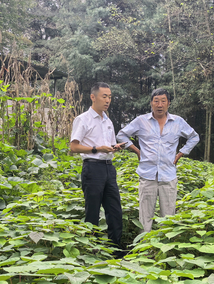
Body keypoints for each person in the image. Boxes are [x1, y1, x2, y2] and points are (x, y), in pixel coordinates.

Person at [116, 88, 199, 233]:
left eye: (163, 101)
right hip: (147, 174)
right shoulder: (141, 121)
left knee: (168, 216)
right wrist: (137, 151)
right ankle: (143, 249)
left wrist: (181, 153)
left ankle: (163, 249)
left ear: (169, 103)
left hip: (168, 175)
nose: (159, 105)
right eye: (156, 101)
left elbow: (194, 137)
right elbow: (121, 135)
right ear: (151, 103)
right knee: (145, 216)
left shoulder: (178, 122)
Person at [69, 82, 126, 250]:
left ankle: (115, 249)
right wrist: (96, 149)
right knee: (92, 211)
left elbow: (108, 145)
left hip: (109, 168)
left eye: (109, 97)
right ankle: (90, 249)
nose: (108, 100)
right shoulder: (83, 119)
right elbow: (73, 147)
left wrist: (115, 147)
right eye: (104, 96)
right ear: (93, 97)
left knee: (115, 210)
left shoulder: (108, 121)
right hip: (92, 168)